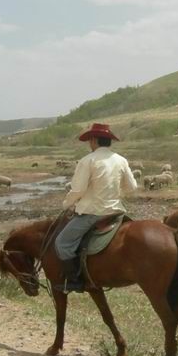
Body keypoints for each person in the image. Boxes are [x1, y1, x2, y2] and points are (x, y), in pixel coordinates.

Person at [54, 123, 138, 293]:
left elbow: (78, 190)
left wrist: (67, 204)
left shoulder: (87, 161)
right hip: (117, 211)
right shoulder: (121, 160)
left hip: (93, 213)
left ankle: (75, 281)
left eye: (89, 140)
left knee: (62, 243)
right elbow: (132, 187)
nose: (89, 144)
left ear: (93, 140)